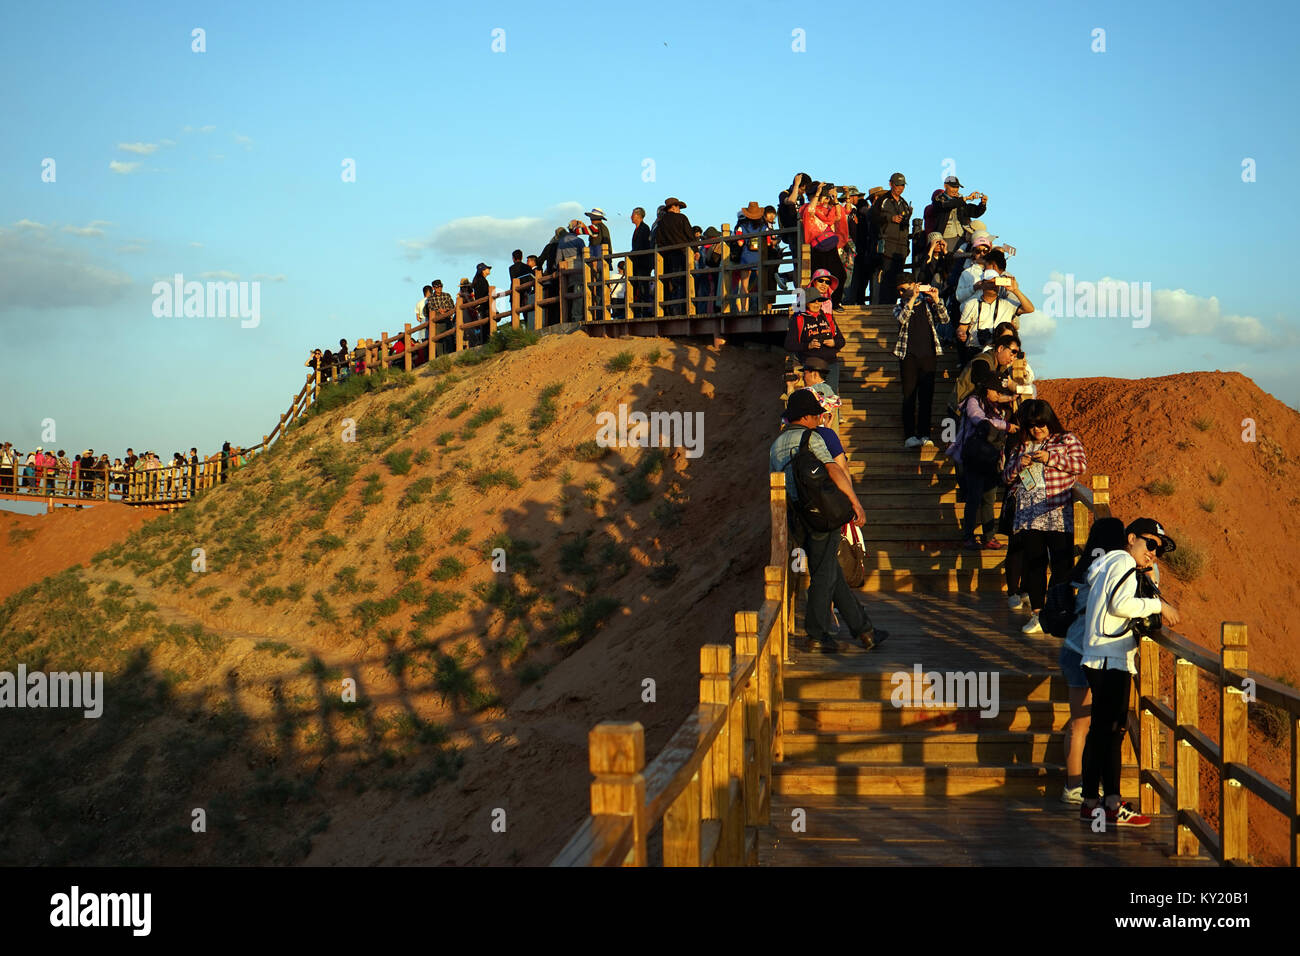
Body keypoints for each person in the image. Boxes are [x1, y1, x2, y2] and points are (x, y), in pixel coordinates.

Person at [1078, 519, 1182, 828]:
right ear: (1131, 538)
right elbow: (1121, 604)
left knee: (1103, 732)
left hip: (1099, 656)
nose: (1153, 553)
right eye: (1150, 544)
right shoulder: (1123, 559)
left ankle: (1098, 802)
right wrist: (1157, 606)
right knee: (1110, 732)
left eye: (1158, 550)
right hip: (1110, 660)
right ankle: (1104, 803)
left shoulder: (1112, 561)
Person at [769, 389, 887, 654]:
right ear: (808, 417)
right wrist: (854, 502)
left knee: (829, 569)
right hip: (823, 515)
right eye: (816, 416)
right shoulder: (812, 437)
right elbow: (834, 469)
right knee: (824, 573)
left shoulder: (775, 445)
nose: (819, 421)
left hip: (797, 519)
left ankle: (865, 631)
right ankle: (816, 634)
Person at [1001, 400, 1088, 634]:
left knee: (1061, 565)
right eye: (1031, 426)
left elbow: (1080, 466)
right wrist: (1019, 464)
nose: (1036, 430)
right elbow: (1006, 477)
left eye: (1041, 425)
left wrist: (1051, 458)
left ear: (1049, 421)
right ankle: (1037, 614)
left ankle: (1057, 611)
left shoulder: (1066, 439)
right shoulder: (1021, 445)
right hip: (1028, 512)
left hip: (1058, 511)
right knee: (1034, 564)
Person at [1057, 516, 1127, 804]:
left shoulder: (1085, 567)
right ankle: (1075, 786)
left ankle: (1076, 783)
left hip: (1073, 648)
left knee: (1079, 723)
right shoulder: (1109, 569)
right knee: (1083, 725)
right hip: (1087, 650)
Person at [949, 371, 1018, 550]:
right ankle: (968, 536)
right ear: (987, 389)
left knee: (989, 497)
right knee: (974, 497)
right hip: (974, 457)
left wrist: (1006, 400)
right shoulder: (974, 401)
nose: (998, 395)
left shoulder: (994, 405)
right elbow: (979, 419)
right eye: (996, 391)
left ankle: (988, 536)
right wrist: (1007, 425)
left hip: (991, 457)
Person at [892, 275, 948, 449]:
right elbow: (901, 319)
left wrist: (936, 298)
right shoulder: (900, 306)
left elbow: (945, 320)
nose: (902, 293)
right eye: (899, 290)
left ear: (914, 285)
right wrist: (912, 298)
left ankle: (925, 434)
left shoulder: (929, 304)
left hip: (929, 355)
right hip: (908, 355)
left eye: (905, 289)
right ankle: (909, 435)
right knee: (909, 396)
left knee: (926, 397)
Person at [957, 251, 1034, 348]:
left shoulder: (1007, 305)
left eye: (996, 282)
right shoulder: (972, 304)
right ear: (982, 284)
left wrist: (1015, 290)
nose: (993, 286)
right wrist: (961, 333)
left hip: (999, 350)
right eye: (990, 282)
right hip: (975, 348)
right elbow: (962, 327)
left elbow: (1030, 309)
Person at [784, 276, 845, 391]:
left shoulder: (827, 318)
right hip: (812, 368)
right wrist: (808, 345)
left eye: (819, 301)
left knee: (830, 400)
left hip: (831, 365)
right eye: (813, 301)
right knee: (814, 401)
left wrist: (833, 343)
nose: (817, 304)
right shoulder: (798, 319)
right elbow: (789, 345)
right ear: (806, 303)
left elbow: (841, 341)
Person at [801, 184, 849, 308]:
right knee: (818, 278)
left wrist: (835, 198)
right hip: (817, 247)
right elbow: (809, 211)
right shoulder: (807, 208)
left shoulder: (829, 209)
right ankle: (816, 304)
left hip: (830, 246)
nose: (825, 198)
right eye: (824, 195)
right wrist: (818, 194)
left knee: (840, 275)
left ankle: (834, 303)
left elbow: (839, 216)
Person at [870, 173, 912, 305]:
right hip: (888, 244)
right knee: (887, 276)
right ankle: (884, 305)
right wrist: (890, 219)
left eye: (902, 185)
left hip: (901, 247)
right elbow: (872, 217)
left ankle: (894, 304)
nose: (900, 188)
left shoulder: (904, 203)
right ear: (891, 184)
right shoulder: (883, 200)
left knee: (898, 278)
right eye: (898, 185)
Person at [924, 176, 987, 252]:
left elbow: (974, 212)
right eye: (953, 187)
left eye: (957, 187)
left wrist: (982, 204)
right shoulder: (939, 199)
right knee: (948, 261)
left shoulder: (960, 201)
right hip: (946, 238)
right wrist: (965, 198)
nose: (955, 190)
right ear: (945, 186)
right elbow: (947, 205)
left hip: (962, 237)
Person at [655, 198, 694, 315]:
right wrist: (695, 250)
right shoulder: (682, 218)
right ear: (673, 207)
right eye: (678, 207)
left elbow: (659, 240)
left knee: (670, 283)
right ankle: (682, 310)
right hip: (682, 253)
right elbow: (690, 235)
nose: (679, 210)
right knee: (683, 282)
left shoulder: (661, 222)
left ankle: (671, 310)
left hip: (667, 256)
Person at [732, 201, 767, 312]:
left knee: (744, 285)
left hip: (746, 256)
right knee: (760, 283)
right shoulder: (764, 226)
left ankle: (743, 308)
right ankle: (761, 306)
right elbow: (769, 242)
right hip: (759, 256)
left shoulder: (741, 227)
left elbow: (740, 243)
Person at [630, 207, 653, 317]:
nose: (631, 217)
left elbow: (642, 246)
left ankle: (645, 310)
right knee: (637, 286)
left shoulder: (644, 228)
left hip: (643, 263)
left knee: (643, 287)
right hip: (637, 263)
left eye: (633, 215)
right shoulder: (638, 229)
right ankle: (638, 310)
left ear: (639, 216)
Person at [427, 280, 455, 355]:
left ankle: (450, 354)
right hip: (438, 323)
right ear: (433, 288)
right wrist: (438, 311)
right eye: (437, 287)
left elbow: (452, 306)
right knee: (439, 340)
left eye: (440, 286)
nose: (439, 288)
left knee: (449, 338)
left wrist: (446, 310)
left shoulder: (447, 295)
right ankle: (440, 356)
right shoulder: (430, 298)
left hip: (447, 320)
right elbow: (430, 309)